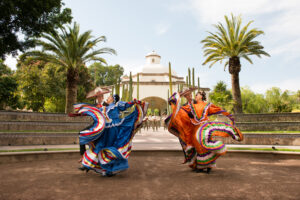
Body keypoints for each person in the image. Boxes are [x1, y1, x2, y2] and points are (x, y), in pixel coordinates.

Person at [70, 90, 148, 176]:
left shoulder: (117, 105)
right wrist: (79, 114)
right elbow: (94, 111)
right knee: (99, 146)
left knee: (108, 147)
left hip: (113, 129)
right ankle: (90, 164)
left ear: (113, 99)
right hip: (104, 129)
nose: (108, 98)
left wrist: (133, 102)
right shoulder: (103, 106)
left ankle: (106, 169)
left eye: (110, 97)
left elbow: (127, 105)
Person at [165, 88, 243, 174]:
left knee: (203, 143)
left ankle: (207, 164)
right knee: (198, 147)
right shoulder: (190, 105)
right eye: (194, 94)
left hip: (204, 127)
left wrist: (229, 116)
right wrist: (181, 94)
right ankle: (202, 166)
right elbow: (180, 111)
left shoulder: (206, 105)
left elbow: (217, 110)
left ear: (201, 96)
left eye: (197, 94)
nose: (195, 95)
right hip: (194, 129)